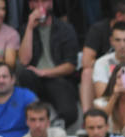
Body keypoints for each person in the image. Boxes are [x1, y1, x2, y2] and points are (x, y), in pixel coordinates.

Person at [17, 0, 80, 129]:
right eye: (35, 2)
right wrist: (29, 27)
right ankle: (32, 120)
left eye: (44, 1)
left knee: (70, 113)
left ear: (51, 3)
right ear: (30, 5)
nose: (40, 6)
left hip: (57, 78)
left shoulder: (65, 29)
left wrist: (45, 72)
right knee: (24, 73)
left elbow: (70, 65)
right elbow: (24, 60)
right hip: (33, 79)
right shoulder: (25, 28)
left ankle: (52, 127)